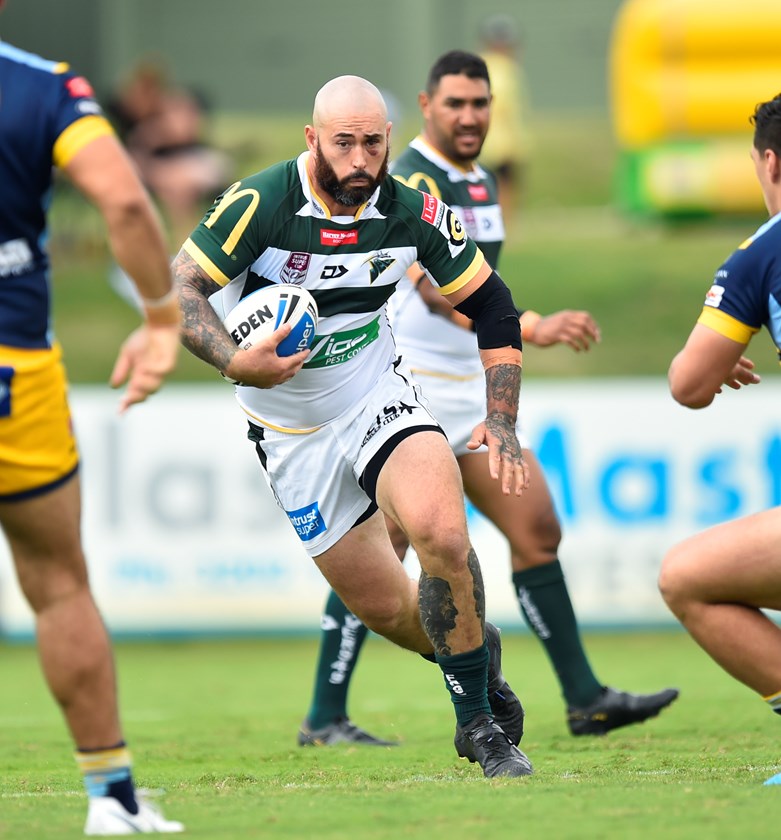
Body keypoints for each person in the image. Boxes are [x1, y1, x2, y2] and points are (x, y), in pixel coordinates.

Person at [297, 51, 679, 749]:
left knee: (536, 527)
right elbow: (432, 292)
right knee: (380, 555)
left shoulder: (482, 181)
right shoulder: (407, 178)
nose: (469, 116)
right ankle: (325, 713)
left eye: (480, 103)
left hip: (469, 393)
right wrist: (531, 325)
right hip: (406, 390)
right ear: (426, 107)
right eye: (455, 103)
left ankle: (585, 699)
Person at [173, 74, 533, 779]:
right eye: (343, 143)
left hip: (375, 397)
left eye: (372, 143)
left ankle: (479, 729)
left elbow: (493, 305)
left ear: (389, 140)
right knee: (389, 612)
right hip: (289, 434)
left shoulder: (415, 212)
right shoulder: (261, 203)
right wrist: (235, 362)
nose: (360, 159)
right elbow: (179, 288)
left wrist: (501, 418)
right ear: (313, 139)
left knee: (442, 533)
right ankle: (474, 652)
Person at [0, 13, 183, 835]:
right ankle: (112, 799)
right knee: (58, 583)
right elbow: (125, 203)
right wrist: (161, 317)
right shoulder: (42, 86)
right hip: (15, 371)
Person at [659, 93, 781, 786]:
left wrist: (713, 359)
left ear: (770, 163)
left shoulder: (760, 256)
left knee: (687, 579)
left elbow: (688, 384)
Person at [106, 56, 231, 250]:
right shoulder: (124, 113)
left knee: (180, 182)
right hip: (157, 172)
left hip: (193, 163)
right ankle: (186, 242)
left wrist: (154, 132)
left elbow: (185, 131)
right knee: (174, 185)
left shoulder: (173, 104)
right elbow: (136, 156)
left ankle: (194, 242)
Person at [477, 15, 532, 222]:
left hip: (481, 143)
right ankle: (503, 229)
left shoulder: (477, 65)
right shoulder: (506, 69)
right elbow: (506, 108)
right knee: (504, 192)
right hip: (502, 145)